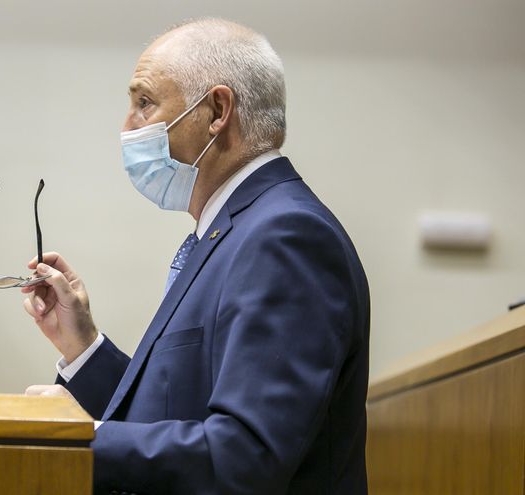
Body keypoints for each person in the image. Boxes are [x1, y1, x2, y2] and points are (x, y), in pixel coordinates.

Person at [22, 18, 370, 495]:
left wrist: (77, 441)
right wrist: (83, 348)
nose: (126, 127)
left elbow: (245, 454)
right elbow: (172, 412)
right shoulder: (235, 230)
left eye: (144, 103)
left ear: (217, 110)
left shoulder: (286, 236)